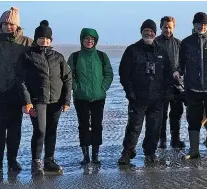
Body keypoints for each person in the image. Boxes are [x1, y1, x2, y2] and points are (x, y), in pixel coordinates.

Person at [117, 19, 173, 165]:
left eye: (151, 31)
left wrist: (167, 93)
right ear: (142, 32)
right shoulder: (132, 50)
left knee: (154, 128)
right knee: (133, 127)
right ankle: (127, 153)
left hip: (157, 99)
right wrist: (129, 92)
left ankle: (150, 153)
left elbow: (169, 74)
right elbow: (124, 73)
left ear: (155, 33)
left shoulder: (162, 51)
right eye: (146, 31)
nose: (148, 33)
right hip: (138, 98)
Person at [0, 7, 33, 175]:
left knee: (14, 129)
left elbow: (41, 58)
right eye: (4, 23)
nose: (8, 27)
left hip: (17, 92)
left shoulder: (26, 42)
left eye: (11, 24)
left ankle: (12, 161)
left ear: (17, 25)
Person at [19, 20, 71, 175]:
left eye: (47, 38)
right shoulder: (28, 56)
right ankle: (36, 162)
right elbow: (21, 80)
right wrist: (27, 101)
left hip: (55, 100)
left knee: (52, 131)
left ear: (51, 40)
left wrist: (67, 100)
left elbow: (67, 78)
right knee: (40, 131)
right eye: (41, 37)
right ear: (36, 39)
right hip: (37, 100)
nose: (44, 40)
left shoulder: (58, 57)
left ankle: (49, 160)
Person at [175, 12, 207, 160]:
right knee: (193, 119)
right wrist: (179, 73)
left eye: (204, 24)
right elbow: (181, 64)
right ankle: (194, 151)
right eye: (198, 23)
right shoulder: (186, 43)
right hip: (193, 88)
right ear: (194, 25)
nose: (201, 26)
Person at [69, 27, 112, 165]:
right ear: (82, 40)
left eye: (92, 39)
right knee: (83, 126)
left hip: (99, 97)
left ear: (96, 41)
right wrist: (76, 88)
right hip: (81, 97)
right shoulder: (75, 57)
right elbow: (69, 76)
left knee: (97, 125)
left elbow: (109, 74)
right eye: (87, 38)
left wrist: (103, 88)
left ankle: (95, 155)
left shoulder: (101, 56)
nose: (89, 41)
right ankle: (85, 155)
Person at [155, 16, 185, 149]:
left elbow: (184, 64)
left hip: (176, 85)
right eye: (165, 27)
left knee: (176, 113)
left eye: (170, 27)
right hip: (160, 86)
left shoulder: (179, 44)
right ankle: (162, 140)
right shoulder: (155, 43)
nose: (167, 29)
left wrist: (179, 72)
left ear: (174, 28)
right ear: (161, 27)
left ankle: (175, 139)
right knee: (161, 114)